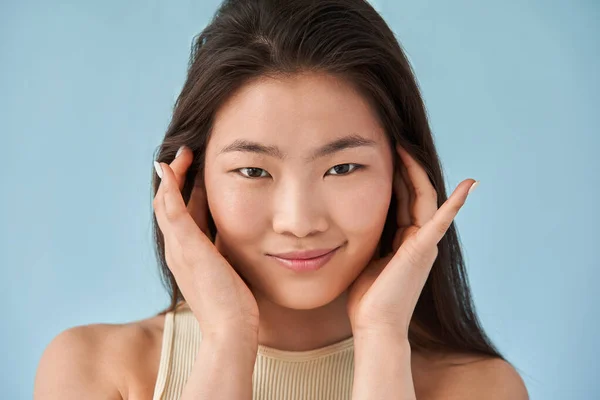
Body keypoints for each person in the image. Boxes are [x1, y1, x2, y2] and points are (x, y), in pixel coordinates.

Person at [34, 0, 529, 399]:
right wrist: (228, 340)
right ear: (194, 185)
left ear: (403, 178)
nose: (299, 221)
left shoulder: (480, 388)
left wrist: (382, 342)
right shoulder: (96, 371)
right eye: (253, 171)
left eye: (341, 167)